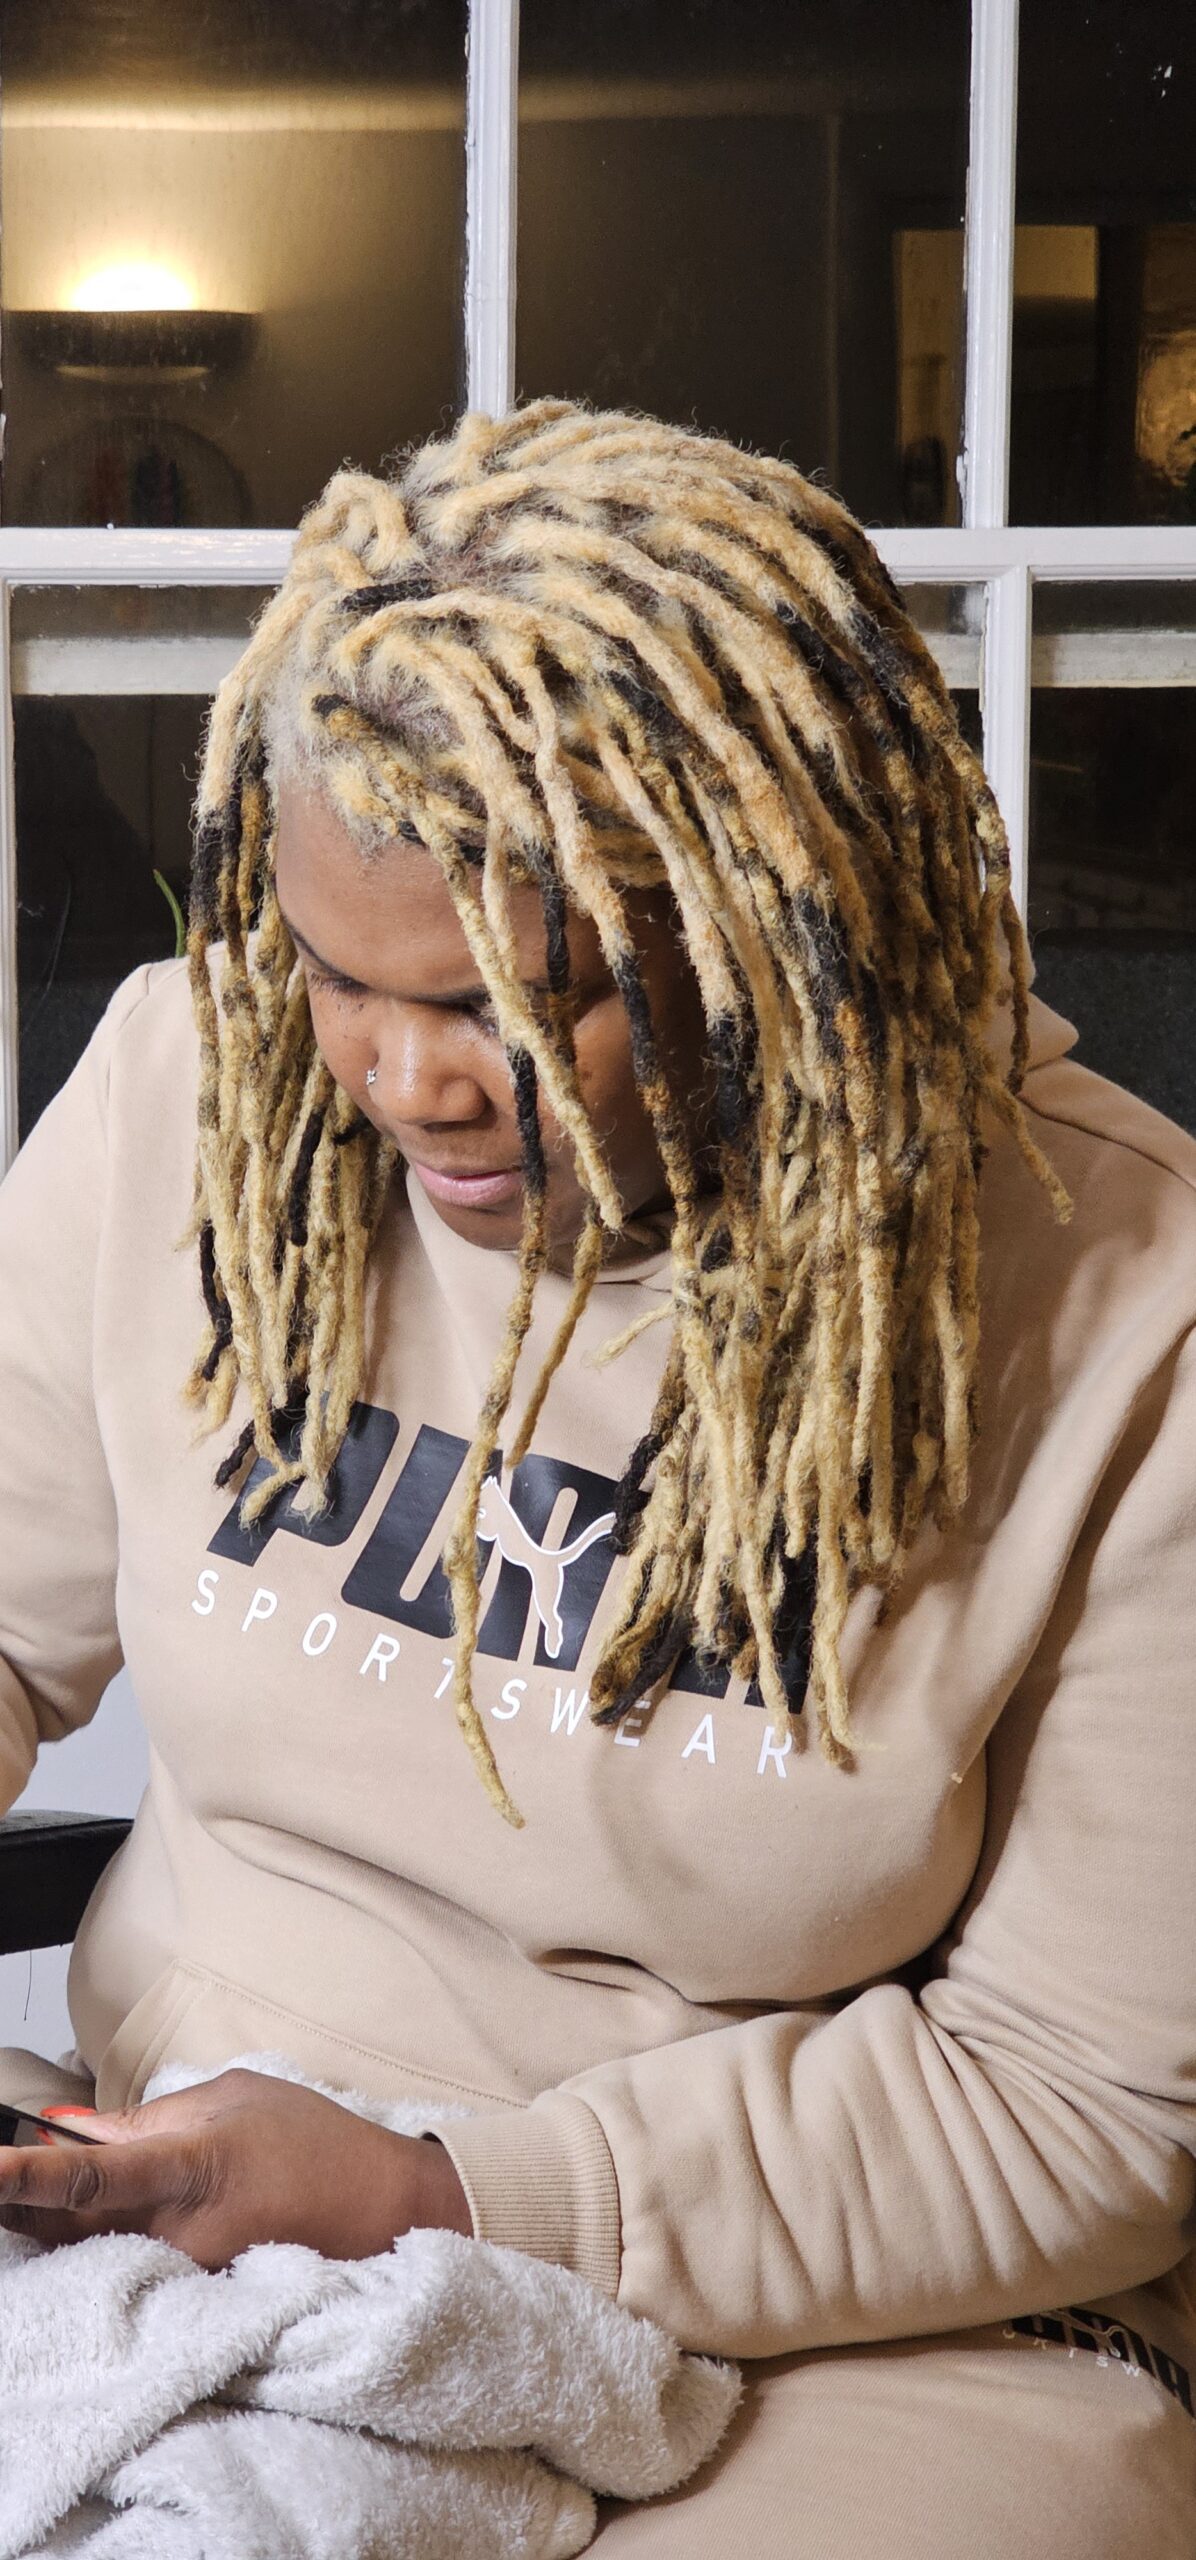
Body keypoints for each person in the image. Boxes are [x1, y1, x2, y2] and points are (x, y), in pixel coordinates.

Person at [0, 400, 1194, 2554]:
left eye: (514, 1000)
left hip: (861, 2313)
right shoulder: (197, 1090)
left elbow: (1079, 2097)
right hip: (177, 2183)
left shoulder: (1128, 1305)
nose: (404, 1082)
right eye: (339, 975)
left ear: (786, 926)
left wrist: (442, 2191)